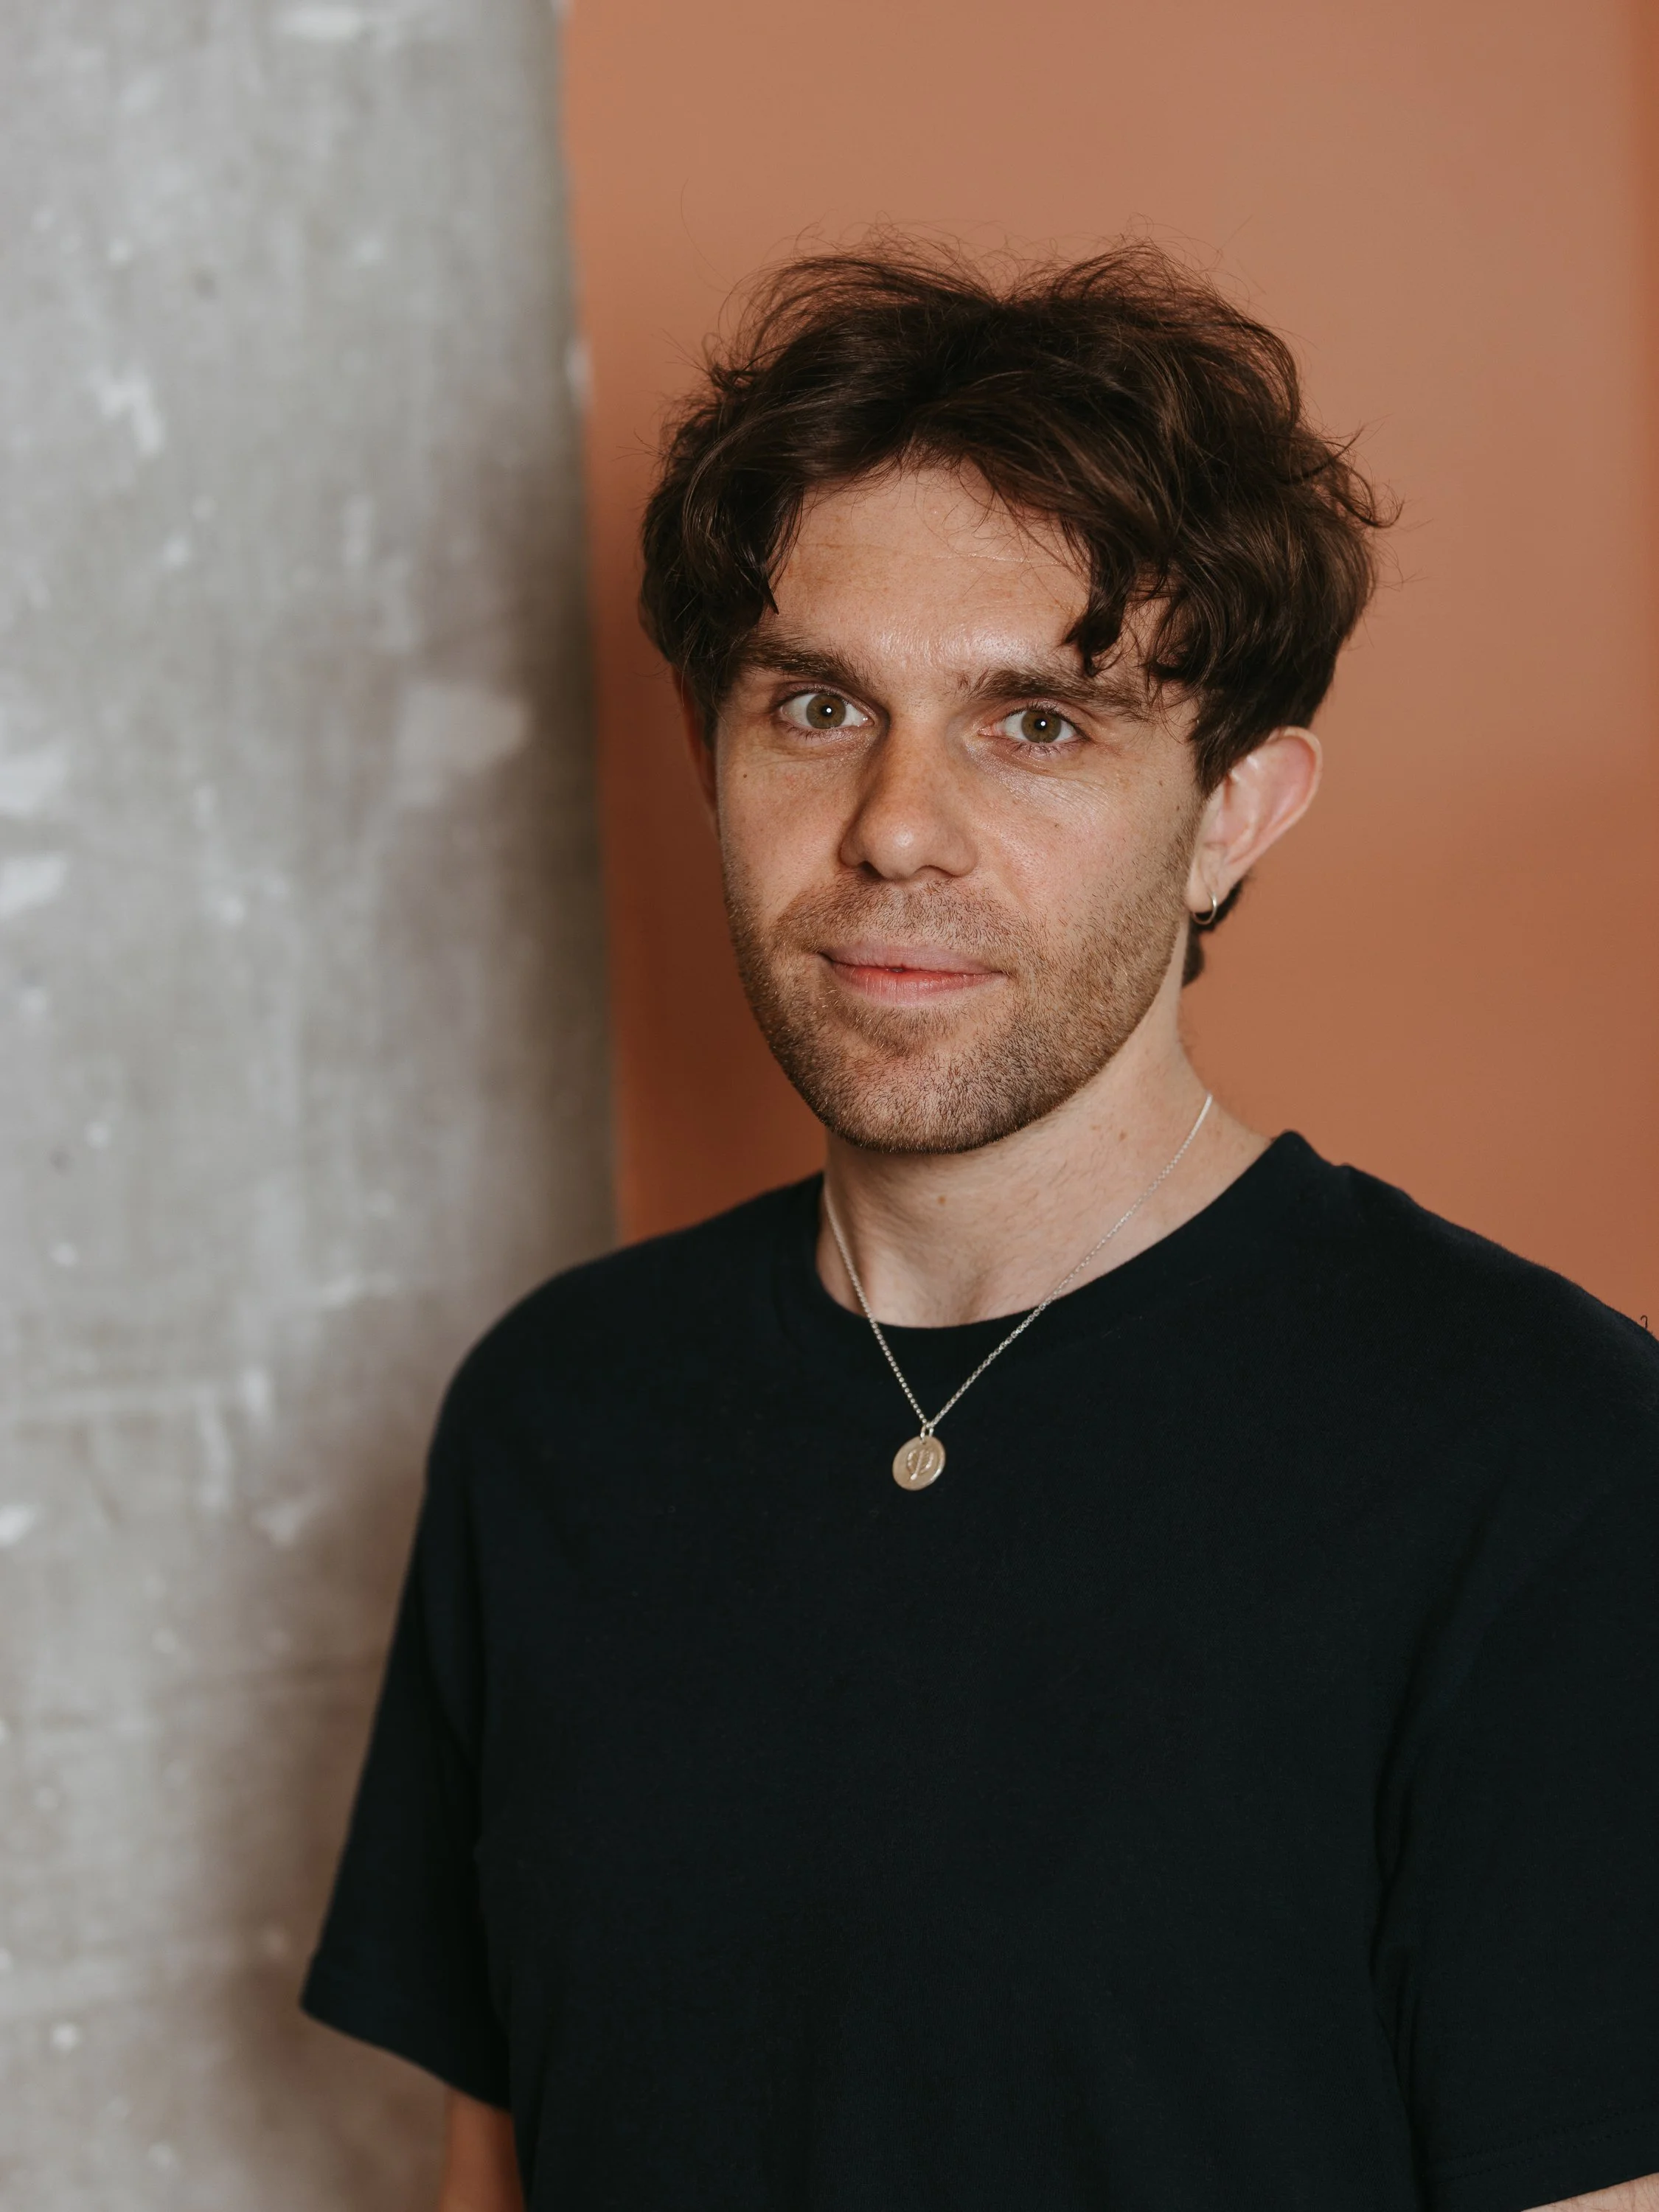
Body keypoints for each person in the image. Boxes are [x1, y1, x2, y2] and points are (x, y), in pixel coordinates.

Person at [301, 244, 1659, 2212]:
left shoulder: (1548, 1461)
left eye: (1037, 723)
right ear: (710, 755)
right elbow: (492, 2172)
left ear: (1234, 811)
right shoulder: (555, 1418)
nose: (895, 825)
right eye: (817, 705)